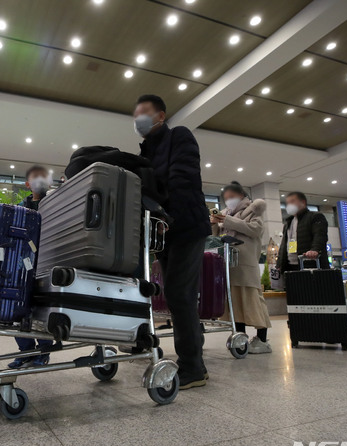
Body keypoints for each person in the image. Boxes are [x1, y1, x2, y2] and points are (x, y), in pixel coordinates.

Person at [134, 94, 211, 389]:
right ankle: (194, 354)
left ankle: (194, 367)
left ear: (161, 116)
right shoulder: (145, 153)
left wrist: (168, 217)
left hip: (188, 225)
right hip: (165, 232)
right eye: (136, 115)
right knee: (178, 296)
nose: (138, 119)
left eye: (144, 113)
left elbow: (183, 178)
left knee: (180, 294)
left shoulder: (179, 136)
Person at [211, 182, 272, 354]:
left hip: (245, 263)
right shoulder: (225, 214)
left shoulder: (253, 209)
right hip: (229, 264)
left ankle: (262, 339)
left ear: (241, 195)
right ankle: (241, 338)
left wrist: (228, 221)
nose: (229, 201)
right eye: (226, 198)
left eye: (232, 197)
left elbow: (255, 229)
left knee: (253, 301)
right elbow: (215, 236)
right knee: (234, 303)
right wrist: (215, 223)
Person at [8, 165, 54, 368]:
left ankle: (43, 350)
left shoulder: (56, 201)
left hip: (48, 261)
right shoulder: (20, 207)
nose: (40, 181)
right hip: (23, 264)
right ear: (28, 184)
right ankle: (25, 350)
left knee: (42, 307)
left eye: (44, 177)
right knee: (19, 307)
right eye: (36, 178)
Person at [277, 191, 329, 273]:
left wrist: (315, 250)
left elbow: (320, 235)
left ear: (303, 202)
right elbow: (284, 244)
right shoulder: (288, 222)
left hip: (309, 263)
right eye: (288, 203)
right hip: (290, 265)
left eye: (292, 201)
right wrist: (279, 264)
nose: (289, 205)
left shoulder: (315, 217)